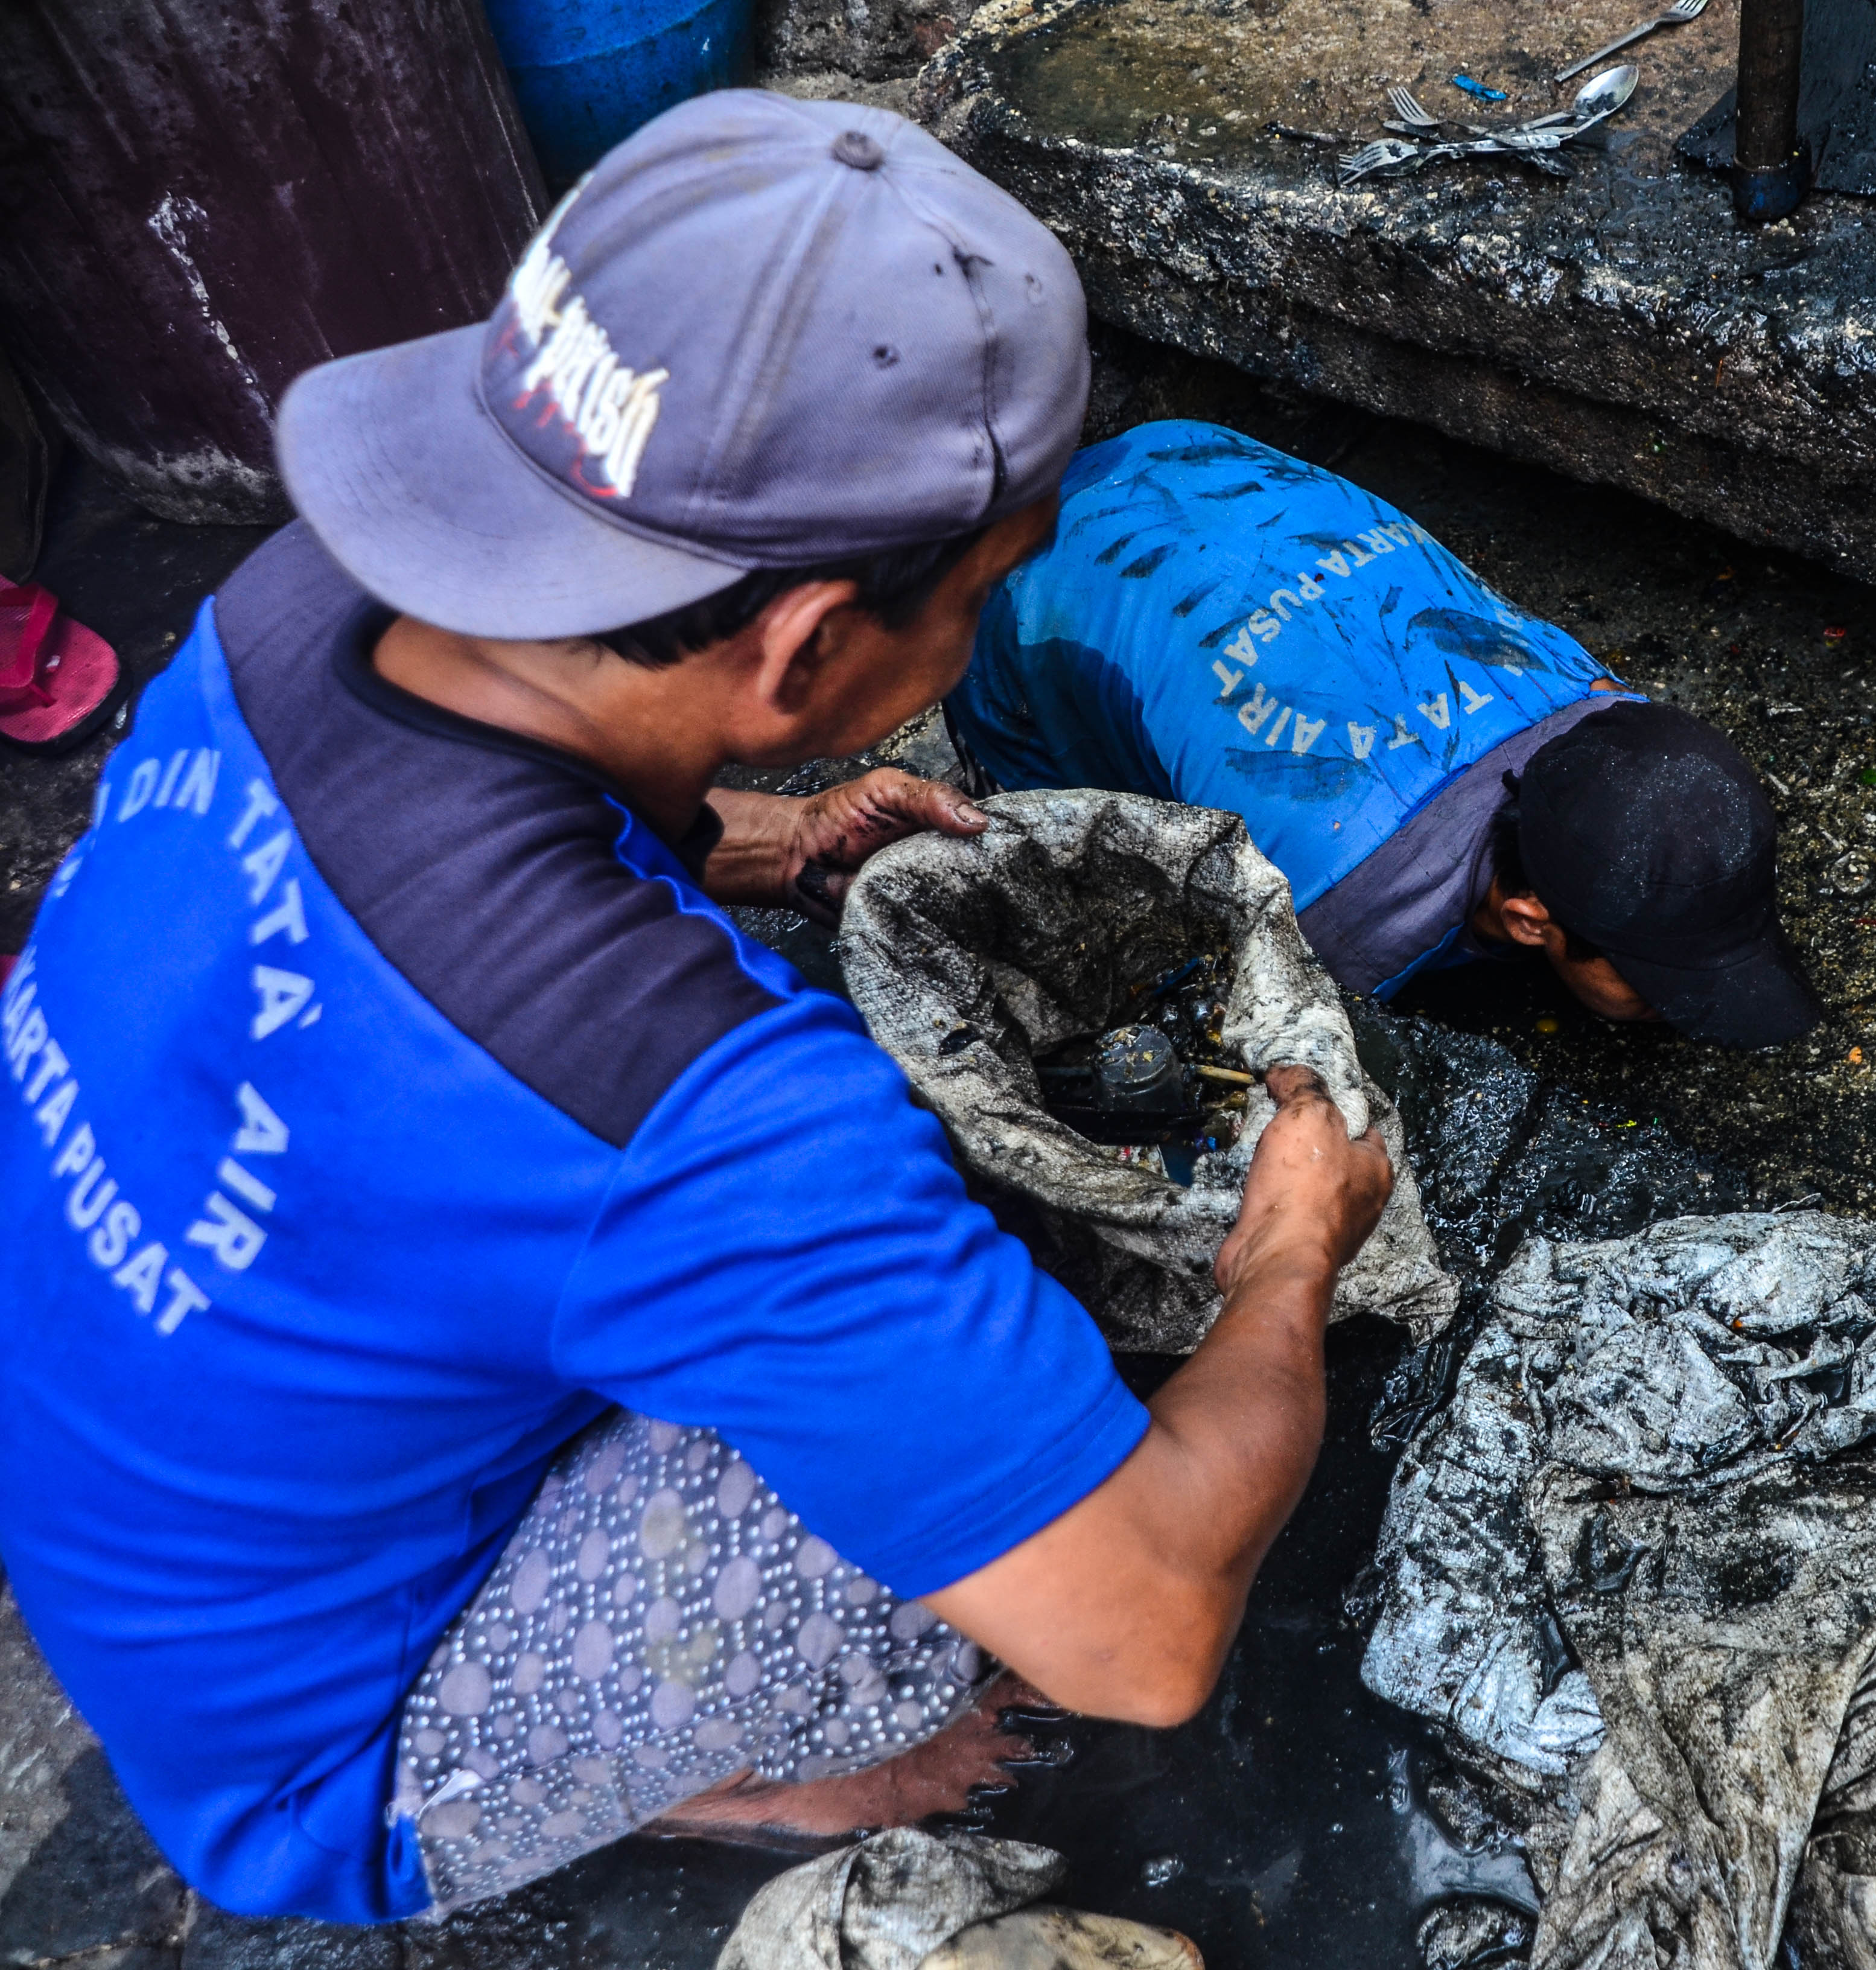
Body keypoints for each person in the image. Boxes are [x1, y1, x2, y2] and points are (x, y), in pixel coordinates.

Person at [0, 92, 1391, 1927]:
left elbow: (439, 847)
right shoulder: (706, 1121)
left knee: (858, 1316)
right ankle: (714, 1783)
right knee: (982, 1456)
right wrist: (1286, 1256)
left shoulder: (299, 604)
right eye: (986, 589)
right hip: (304, 1756)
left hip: (115, 1467)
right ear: (806, 643)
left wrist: (771, 836)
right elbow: (1145, 1632)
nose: (983, 625)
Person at [945, 424, 1821, 1048]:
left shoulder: (1604, 708)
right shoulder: (1336, 922)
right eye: (1656, 984)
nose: (1670, 1003)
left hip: (1195, 452)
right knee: (1100, 879)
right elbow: (1243, 1020)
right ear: (1527, 921)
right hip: (1019, 595)